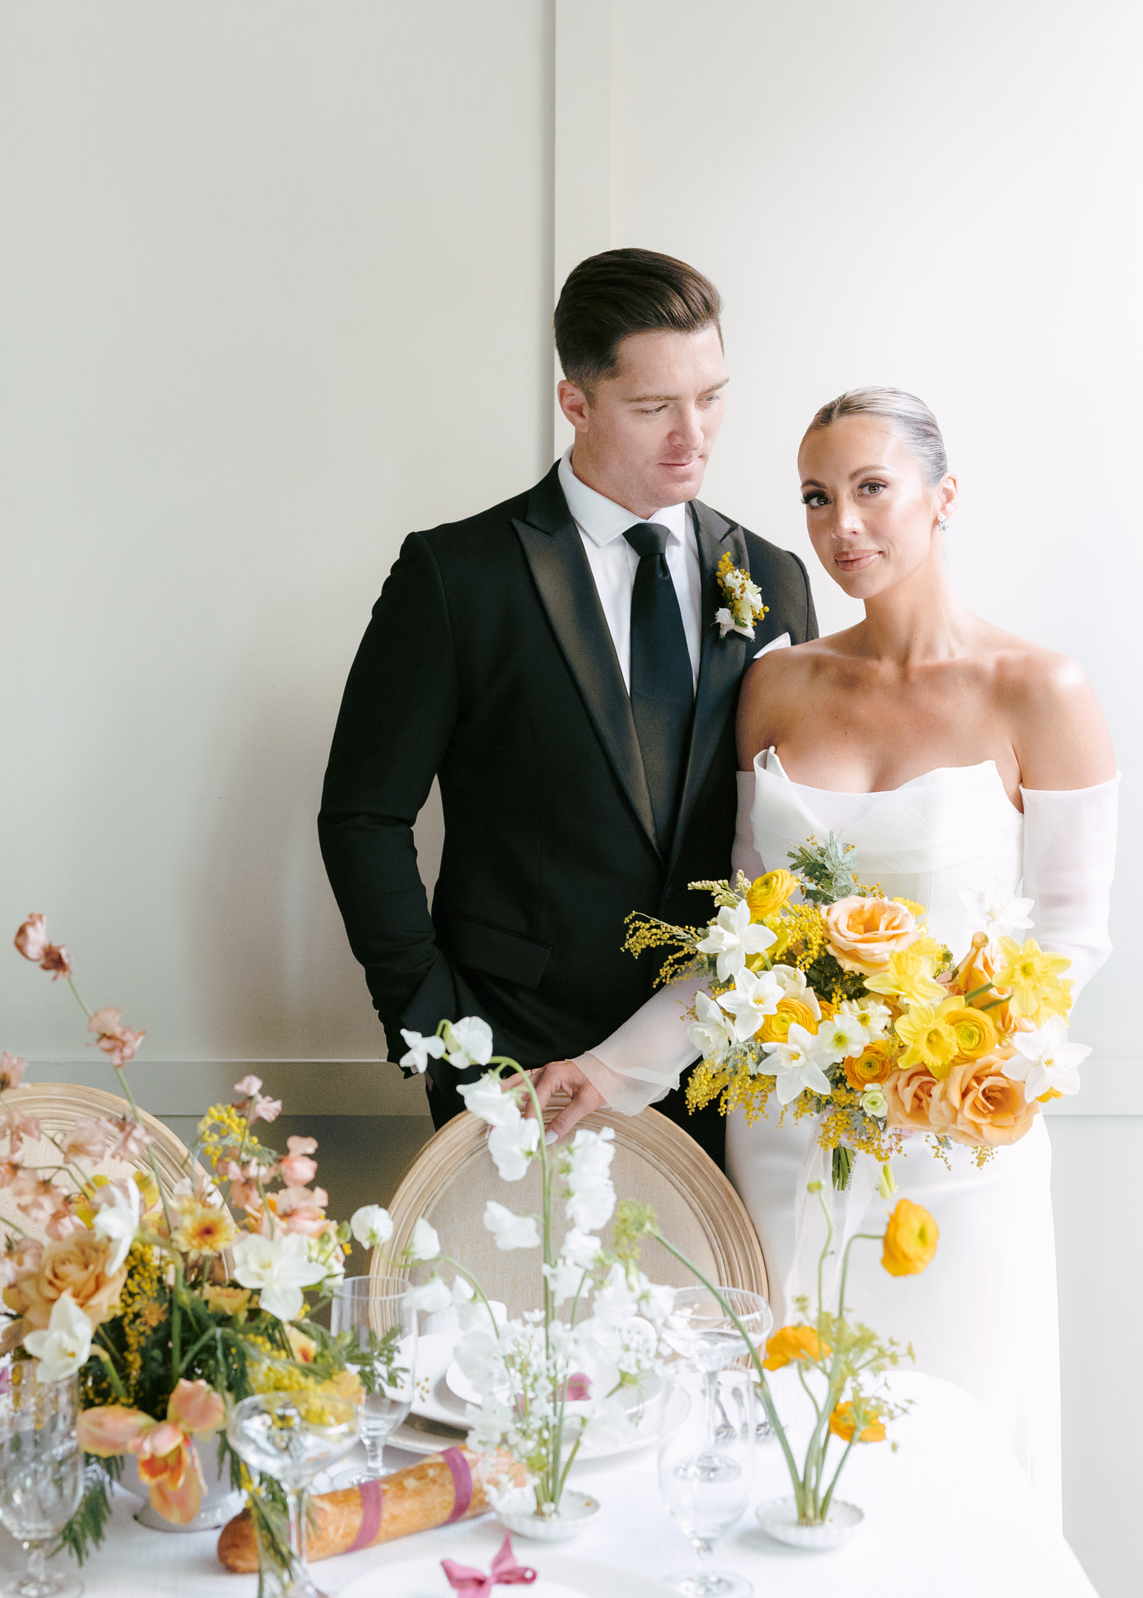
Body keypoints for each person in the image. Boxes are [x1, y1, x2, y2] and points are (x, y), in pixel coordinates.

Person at [530, 387, 1118, 1522]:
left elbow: (1072, 933)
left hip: (951, 1146)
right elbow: (748, 942)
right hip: (788, 1136)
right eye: (815, 496)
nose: (841, 523)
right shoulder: (778, 683)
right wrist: (610, 1068)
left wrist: (958, 1075)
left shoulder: (1040, 689)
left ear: (944, 497)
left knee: (951, 1451)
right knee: (786, 1452)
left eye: (870, 487)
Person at [317, 248, 818, 1166]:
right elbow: (362, 813)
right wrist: (442, 1031)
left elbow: (789, 833)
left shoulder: (771, 577)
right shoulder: (455, 576)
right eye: (654, 406)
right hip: (515, 1062)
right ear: (575, 402)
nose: (692, 434)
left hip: (717, 1059)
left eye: (710, 396)